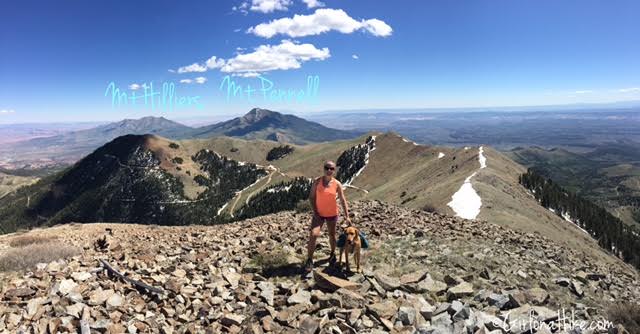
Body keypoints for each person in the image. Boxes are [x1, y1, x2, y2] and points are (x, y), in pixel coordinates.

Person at [305, 160, 351, 272]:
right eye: (327, 168)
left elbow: (342, 199)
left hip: (332, 214)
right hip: (319, 214)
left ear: (334, 171)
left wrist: (347, 215)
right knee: (313, 234)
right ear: (324, 169)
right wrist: (315, 210)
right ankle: (309, 260)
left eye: (332, 169)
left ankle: (332, 253)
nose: (329, 170)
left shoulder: (337, 184)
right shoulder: (317, 182)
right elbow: (311, 197)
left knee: (332, 235)